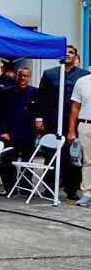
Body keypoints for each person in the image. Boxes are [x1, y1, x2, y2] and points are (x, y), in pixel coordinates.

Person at [39, 45, 88, 200]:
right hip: (53, 120)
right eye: (65, 52)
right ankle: (49, 187)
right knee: (51, 153)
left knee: (72, 156)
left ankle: (71, 189)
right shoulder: (49, 74)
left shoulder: (83, 76)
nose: (68, 54)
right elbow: (42, 98)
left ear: (75, 57)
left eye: (71, 52)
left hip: (75, 120)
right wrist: (40, 119)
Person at [0, 67, 41, 192]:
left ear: (30, 77)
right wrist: (4, 131)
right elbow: (2, 113)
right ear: (17, 76)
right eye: (21, 75)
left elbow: (38, 112)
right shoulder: (7, 92)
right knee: (8, 161)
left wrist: (38, 129)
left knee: (28, 161)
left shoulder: (35, 92)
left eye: (26, 76)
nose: (23, 78)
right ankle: (9, 187)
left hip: (28, 132)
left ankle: (25, 188)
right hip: (11, 132)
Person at [67, 73, 91, 207]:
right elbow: (75, 107)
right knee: (88, 161)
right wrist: (71, 130)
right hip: (86, 125)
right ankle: (87, 194)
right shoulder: (82, 81)